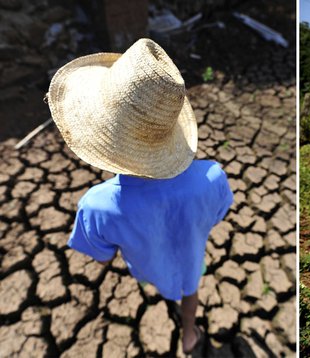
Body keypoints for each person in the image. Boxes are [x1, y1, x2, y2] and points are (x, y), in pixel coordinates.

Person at [46, 38, 233, 356]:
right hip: (192, 260)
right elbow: (215, 216)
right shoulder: (212, 175)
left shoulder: (98, 206)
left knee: (159, 284)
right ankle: (189, 334)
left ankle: (163, 300)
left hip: (147, 270)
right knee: (191, 289)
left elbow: (103, 255)